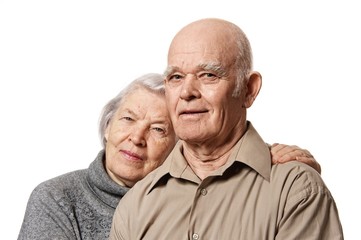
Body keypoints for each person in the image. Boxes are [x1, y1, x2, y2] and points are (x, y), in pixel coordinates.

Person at [110, 18, 343, 239]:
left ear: (249, 90)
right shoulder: (135, 204)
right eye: (176, 77)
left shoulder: (295, 190)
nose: (187, 91)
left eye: (208, 75)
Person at [18, 73, 320, 240]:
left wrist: (279, 173)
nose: (136, 138)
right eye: (127, 119)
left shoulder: (198, 195)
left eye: (159, 130)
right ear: (107, 127)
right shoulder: (56, 199)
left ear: (181, 145)